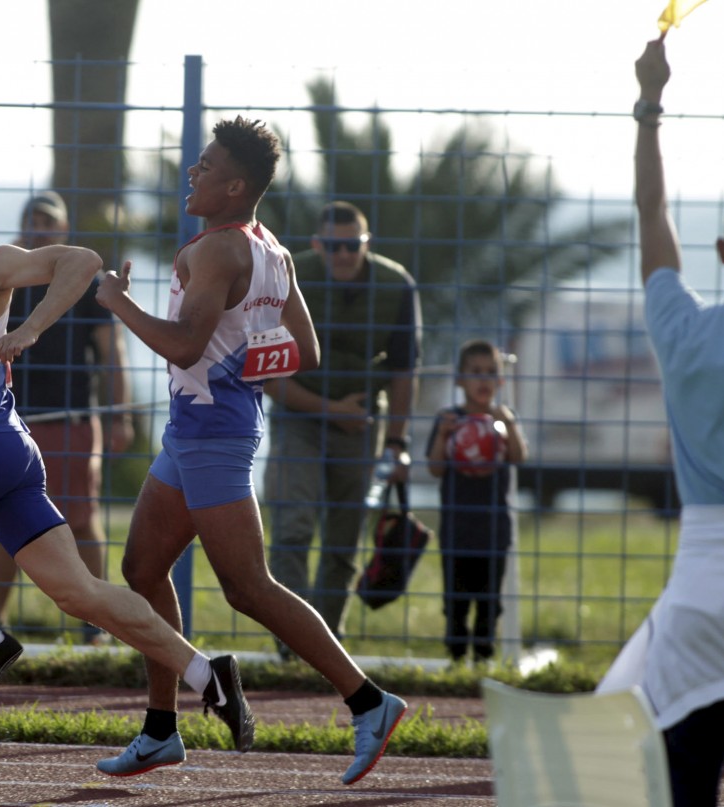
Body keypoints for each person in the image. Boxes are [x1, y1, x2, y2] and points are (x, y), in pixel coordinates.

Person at [0, 171, 253, 743]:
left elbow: (82, 260)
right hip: (2, 455)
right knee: (79, 594)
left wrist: (30, 327)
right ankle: (207, 672)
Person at [93, 117, 407, 785]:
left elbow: (182, 346)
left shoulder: (218, 251)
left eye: (204, 166)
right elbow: (308, 350)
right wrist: (242, 364)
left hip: (215, 438)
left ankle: (368, 700)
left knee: (248, 587)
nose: (192, 173)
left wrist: (118, 304)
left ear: (235, 185)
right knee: (142, 568)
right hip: (194, 431)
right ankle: (159, 729)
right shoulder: (274, 250)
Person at [594, 40, 724, 807]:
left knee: (681, 781)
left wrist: (650, 104)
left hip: (703, 595)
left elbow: (650, 213)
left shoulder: (681, 326)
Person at [263, 201, 421, 641]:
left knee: (345, 540)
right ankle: (291, 642)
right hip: (299, 418)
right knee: (293, 529)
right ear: (318, 244)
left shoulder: (397, 285)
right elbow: (267, 377)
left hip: (364, 423)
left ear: (366, 243)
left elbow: (405, 371)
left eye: (352, 246)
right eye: (334, 247)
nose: (344, 256)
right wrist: (335, 411)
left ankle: (327, 641)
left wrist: (396, 441)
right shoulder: (288, 278)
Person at [0, 190, 135, 643]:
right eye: (32, 220)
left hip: (72, 419)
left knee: (84, 518)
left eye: (48, 222)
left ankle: (97, 624)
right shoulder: (4, 281)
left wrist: (119, 416)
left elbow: (113, 356)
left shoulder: (87, 289)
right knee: (5, 521)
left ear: (63, 232)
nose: (39, 228)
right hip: (12, 417)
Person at [424, 339, 527, 665]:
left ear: (500, 380)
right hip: (457, 529)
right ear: (459, 379)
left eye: (490, 373)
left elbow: (519, 457)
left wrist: (508, 424)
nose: (483, 380)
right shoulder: (448, 419)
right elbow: (435, 468)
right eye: (475, 372)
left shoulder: (502, 420)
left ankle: (484, 655)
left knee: (489, 599)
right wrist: (443, 436)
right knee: (456, 597)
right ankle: (456, 655)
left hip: (495, 529)